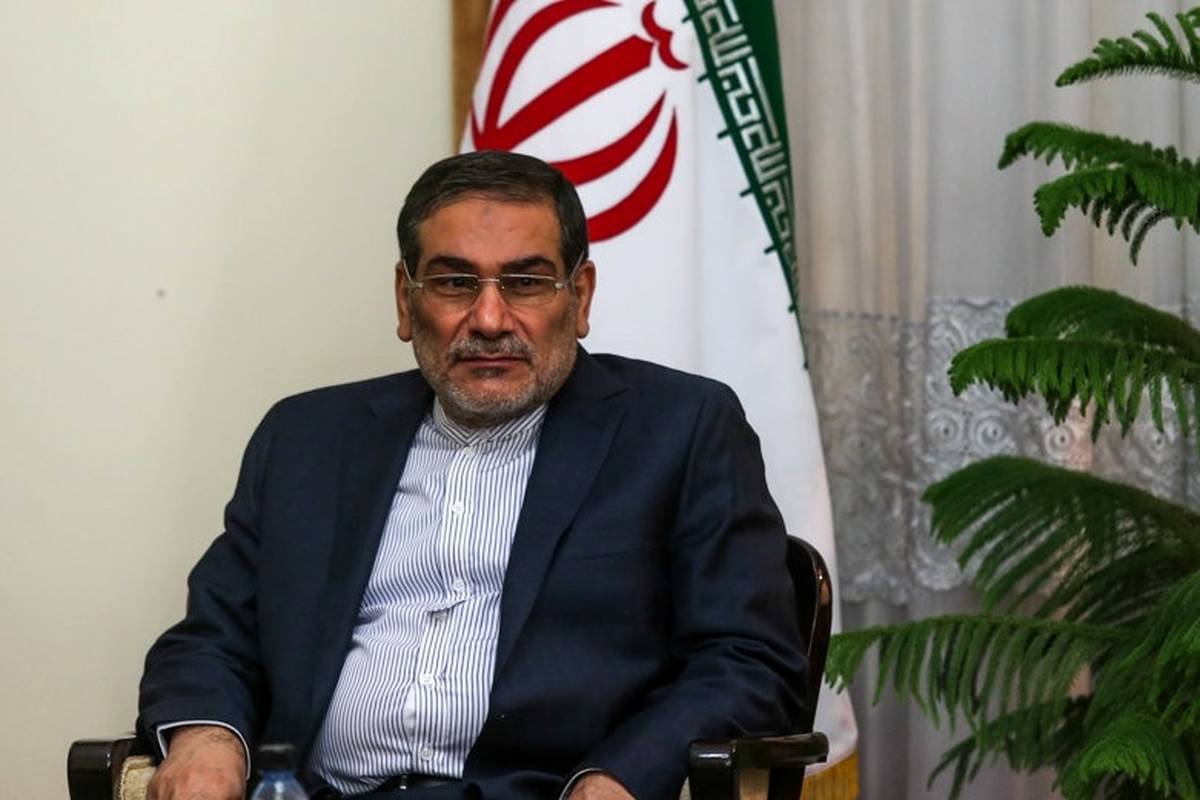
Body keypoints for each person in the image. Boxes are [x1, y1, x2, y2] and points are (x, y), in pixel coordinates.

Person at [138, 150, 807, 800]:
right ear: (406, 301)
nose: (489, 320)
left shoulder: (679, 431)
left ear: (579, 297)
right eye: (455, 283)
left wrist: (619, 779)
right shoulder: (307, 438)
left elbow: (747, 661)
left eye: (526, 282)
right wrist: (208, 740)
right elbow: (215, 637)